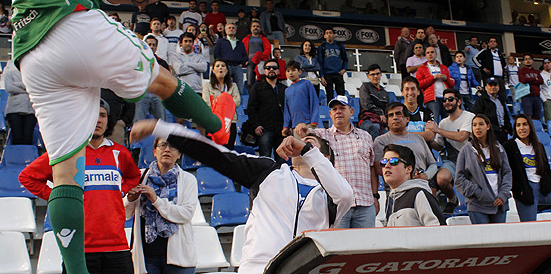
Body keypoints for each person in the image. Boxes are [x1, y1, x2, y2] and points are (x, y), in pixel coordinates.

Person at [0, 0, 230, 271]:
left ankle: (75, 270)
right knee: (160, 77)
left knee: (66, 171)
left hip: (33, 59)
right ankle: (218, 125)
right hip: (66, 25)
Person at [129, 119, 352, 274]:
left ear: (323, 158)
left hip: (308, 268)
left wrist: (307, 151)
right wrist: (161, 128)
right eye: (300, 143)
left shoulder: (330, 193)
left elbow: (345, 196)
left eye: (309, 145)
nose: (300, 146)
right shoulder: (269, 172)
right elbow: (216, 155)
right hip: (260, 267)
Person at [20, 100, 140, 274]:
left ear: (108, 121)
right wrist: (60, 198)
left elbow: (134, 176)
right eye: (93, 115)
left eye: (103, 115)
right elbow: (27, 177)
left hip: (117, 246)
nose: (98, 120)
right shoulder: (66, 152)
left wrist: (121, 190)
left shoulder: (120, 153)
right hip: (79, 248)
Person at [296, 95, 378, 229]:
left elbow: (372, 168)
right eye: (334, 109)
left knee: (366, 247)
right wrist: (303, 128)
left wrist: (375, 196)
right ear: (330, 114)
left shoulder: (366, 136)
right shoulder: (323, 135)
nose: (338, 111)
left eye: (342, 108)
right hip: (338, 205)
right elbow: (307, 133)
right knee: (339, 248)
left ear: (351, 111)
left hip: (366, 203)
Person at [124, 135, 198, 274]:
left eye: (173, 147)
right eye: (163, 145)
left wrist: (156, 200)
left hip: (179, 257)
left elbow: (186, 214)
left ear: (179, 154)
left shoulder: (188, 179)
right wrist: (130, 198)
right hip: (147, 257)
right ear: (154, 151)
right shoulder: (140, 176)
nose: (167, 150)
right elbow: (124, 213)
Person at [455, 114, 512, 224]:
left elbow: (507, 173)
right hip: (477, 205)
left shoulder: (498, 148)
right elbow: (459, 180)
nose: (477, 128)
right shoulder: (466, 150)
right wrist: (478, 193)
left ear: (488, 126)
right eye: (474, 125)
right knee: (483, 239)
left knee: (499, 240)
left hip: (499, 204)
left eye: (481, 124)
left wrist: (503, 194)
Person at [426, 89, 475, 213]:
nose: (447, 102)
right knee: (441, 178)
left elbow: (462, 137)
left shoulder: (469, 116)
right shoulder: (443, 122)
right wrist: (427, 136)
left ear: (459, 101)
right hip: (452, 159)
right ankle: (452, 199)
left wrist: (437, 130)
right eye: (444, 100)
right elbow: (439, 146)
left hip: (471, 158)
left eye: (450, 99)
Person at [374, 103, 438, 187]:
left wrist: (425, 175)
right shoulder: (381, 141)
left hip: (421, 187)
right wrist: (406, 177)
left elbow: (433, 165)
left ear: (407, 119)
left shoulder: (419, 139)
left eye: (398, 114)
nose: (395, 117)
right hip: (396, 191)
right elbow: (379, 168)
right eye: (391, 115)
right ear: (387, 120)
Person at [381, 144, 445, 227]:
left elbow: (439, 231)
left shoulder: (419, 194)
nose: (387, 166)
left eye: (393, 161)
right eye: (383, 162)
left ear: (408, 169)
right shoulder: (391, 201)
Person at [246, 60, 286, 162]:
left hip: (281, 130)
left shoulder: (284, 89)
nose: (271, 70)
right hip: (264, 129)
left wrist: (288, 126)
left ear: (278, 71)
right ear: (264, 71)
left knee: (282, 161)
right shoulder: (257, 87)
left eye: (274, 68)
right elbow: (251, 108)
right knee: (265, 160)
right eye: (268, 68)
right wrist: (256, 125)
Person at [203, 59, 241, 149]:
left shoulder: (233, 86)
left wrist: (217, 102)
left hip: (230, 122)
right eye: (217, 66)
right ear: (213, 70)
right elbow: (207, 103)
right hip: (213, 122)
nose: (220, 68)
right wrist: (227, 103)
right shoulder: (207, 86)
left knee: (228, 152)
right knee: (214, 152)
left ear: (227, 70)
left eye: (223, 66)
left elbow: (237, 102)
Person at [133, 36, 168, 124]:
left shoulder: (162, 63)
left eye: (154, 45)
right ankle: (135, 138)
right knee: (138, 121)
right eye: (149, 44)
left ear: (156, 47)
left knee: (162, 122)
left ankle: (162, 138)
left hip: (158, 94)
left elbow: (168, 80)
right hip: (143, 93)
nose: (151, 47)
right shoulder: (137, 61)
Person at [2, 58, 37, 145]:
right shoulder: (9, 71)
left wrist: (17, 84)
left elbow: (36, 87)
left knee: (28, 137)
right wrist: (26, 88)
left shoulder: (34, 73)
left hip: (30, 109)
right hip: (14, 109)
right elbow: (9, 88)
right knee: (17, 136)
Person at [415, 46, 454, 123]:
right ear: (425, 55)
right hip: (431, 99)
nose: (430, 54)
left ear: (436, 54)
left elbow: (452, 85)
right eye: (428, 53)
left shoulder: (444, 68)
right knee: (433, 121)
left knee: (449, 122)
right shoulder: (421, 69)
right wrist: (433, 78)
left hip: (445, 98)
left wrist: (446, 78)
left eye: (432, 52)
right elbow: (419, 84)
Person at [282, 60, 319, 136]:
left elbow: (314, 102)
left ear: (299, 72)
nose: (291, 73)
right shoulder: (287, 90)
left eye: (293, 70)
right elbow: (287, 110)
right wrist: (286, 126)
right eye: (288, 71)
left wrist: (314, 121)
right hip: (295, 127)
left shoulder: (306, 83)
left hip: (308, 124)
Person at [473, 77, 512, 144]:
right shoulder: (481, 101)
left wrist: (507, 129)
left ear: (498, 87)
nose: (493, 87)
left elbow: (505, 115)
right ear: (486, 87)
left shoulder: (501, 100)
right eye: (490, 85)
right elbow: (479, 116)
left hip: (502, 133)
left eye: (495, 85)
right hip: (490, 133)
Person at [213, 22, 248, 94]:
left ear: (236, 30)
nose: (231, 29)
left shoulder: (240, 43)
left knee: (239, 89)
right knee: (224, 87)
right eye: (229, 28)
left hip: (237, 67)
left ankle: (239, 104)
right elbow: (216, 53)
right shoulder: (221, 42)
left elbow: (244, 54)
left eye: (233, 28)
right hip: (225, 66)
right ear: (225, 30)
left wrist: (242, 63)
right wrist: (221, 64)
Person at [357, 64, 389, 140]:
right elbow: (366, 105)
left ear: (381, 75)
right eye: (372, 74)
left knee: (388, 135)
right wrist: (380, 113)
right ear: (368, 76)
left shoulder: (385, 93)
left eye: (377, 74)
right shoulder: (365, 87)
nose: (375, 76)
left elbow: (387, 110)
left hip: (381, 122)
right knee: (375, 127)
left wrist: (386, 125)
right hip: (366, 120)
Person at [401, 76, 435, 144]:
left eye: (413, 89)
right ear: (402, 92)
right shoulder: (397, 112)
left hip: (423, 153)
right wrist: (422, 134)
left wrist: (405, 134)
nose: (410, 92)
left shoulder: (427, 112)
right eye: (407, 89)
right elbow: (395, 135)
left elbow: (430, 136)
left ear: (418, 92)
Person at [318, 28, 348, 100]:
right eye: (327, 33)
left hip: (338, 73)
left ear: (334, 35)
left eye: (330, 33)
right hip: (327, 74)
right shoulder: (322, 47)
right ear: (325, 36)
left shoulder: (340, 45)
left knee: (341, 95)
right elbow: (320, 62)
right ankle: (330, 110)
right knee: (329, 95)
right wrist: (321, 76)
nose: (329, 35)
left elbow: (345, 59)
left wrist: (344, 69)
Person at [242, 20, 271, 89]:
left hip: (261, 61)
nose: (256, 28)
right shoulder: (245, 39)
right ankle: (250, 97)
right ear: (251, 28)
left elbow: (268, 49)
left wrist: (261, 56)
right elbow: (242, 51)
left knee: (262, 80)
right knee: (249, 81)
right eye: (254, 26)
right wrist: (244, 60)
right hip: (249, 61)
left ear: (260, 28)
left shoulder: (264, 39)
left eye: (257, 26)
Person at [518, 54, 544, 121]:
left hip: (536, 96)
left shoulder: (536, 72)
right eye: (526, 59)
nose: (528, 61)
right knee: (528, 116)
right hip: (526, 96)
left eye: (529, 59)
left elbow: (541, 81)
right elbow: (523, 80)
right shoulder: (521, 71)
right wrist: (535, 79)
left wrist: (530, 80)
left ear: (532, 61)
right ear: (523, 62)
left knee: (537, 116)